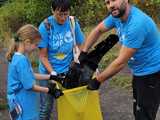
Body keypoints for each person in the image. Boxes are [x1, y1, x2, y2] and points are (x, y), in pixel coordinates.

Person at [79, 0, 160, 120]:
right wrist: (83, 52)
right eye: (107, 2)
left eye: (113, 0)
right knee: (139, 110)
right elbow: (98, 30)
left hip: (151, 74)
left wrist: (97, 80)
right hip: (139, 71)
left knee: (144, 115)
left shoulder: (137, 23)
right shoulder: (117, 16)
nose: (110, 5)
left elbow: (120, 62)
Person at [38, 0, 85, 119]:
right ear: (52, 10)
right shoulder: (45, 27)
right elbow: (43, 56)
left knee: (72, 104)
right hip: (48, 73)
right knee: (46, 108)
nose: (63, 18)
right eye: (59, 14)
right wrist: (53, 74)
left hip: (68, 72)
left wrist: (81, 62)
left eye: (66, 13)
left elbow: (81, 45)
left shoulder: (72, 22)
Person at [6, 24, 63, 120]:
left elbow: (29, 75)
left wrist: (51, 77)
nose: (36, 48)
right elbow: (29, 86)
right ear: (27, 42)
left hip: (19, 101)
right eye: (36, 45)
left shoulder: (17, 57)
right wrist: (50, 91)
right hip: (24, 103)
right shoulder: (21, 61)